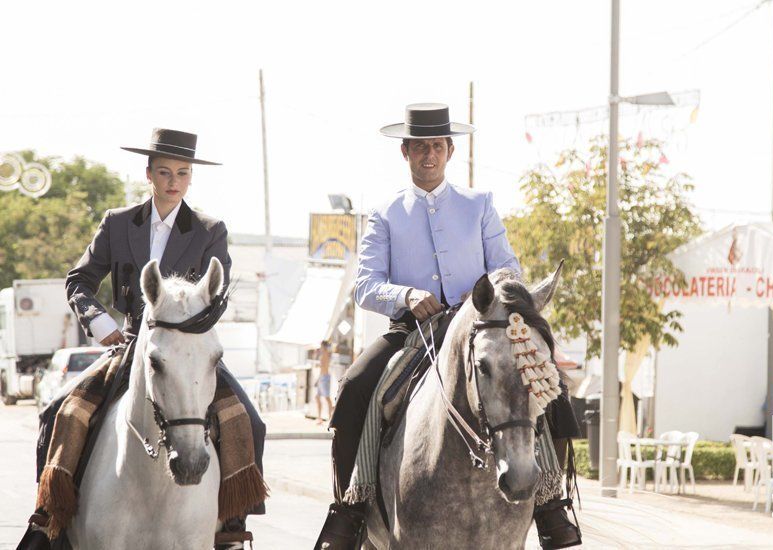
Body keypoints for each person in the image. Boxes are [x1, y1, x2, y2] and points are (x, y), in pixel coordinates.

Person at [314, 104, 582, 549]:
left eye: (437, 146)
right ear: (405, 152)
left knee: (543, 384)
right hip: (413, 331)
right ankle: (351, 508)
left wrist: (492, 294)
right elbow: (365, 285)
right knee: (358, 385)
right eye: (420, 147)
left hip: (479, 326)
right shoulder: (384, 213)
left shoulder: (479, 205)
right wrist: (406, 296)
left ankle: (552, 502)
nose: (429, 155)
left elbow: (507, 267)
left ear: (450, 150)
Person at [23, 129, 264, 550]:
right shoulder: (118, 222)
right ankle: (50, 519)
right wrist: (99, 322)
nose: (174, 181)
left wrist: (192, 321)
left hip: (187, 347)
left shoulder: (210, 229)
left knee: (250, 421)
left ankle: (230, 524)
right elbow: (79, 280)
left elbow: (217, 292)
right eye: (166, 172)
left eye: (183, 173)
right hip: (131, 343)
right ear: (149, 173)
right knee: (56, 412)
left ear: (190, 178)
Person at [315, 340, 334, 424]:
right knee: (317, 397)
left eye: (321, 346)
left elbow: (323, 365)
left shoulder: (326, 353)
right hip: (322, 377)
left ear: (324, 346)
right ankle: (319, 418)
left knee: (327, 398)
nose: (320, 347)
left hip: (324, 377)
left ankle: (330, 417)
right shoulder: (324, 354)